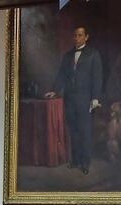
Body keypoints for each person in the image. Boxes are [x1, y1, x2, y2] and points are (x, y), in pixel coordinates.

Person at [45, 26, 103, 175]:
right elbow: (61, 75)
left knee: (85, 132)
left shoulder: (93, 54)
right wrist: (55, 90)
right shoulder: (68, 55)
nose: (76, 38)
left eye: (80, 35)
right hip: (70, 99)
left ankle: (85, 163)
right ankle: (76, 160)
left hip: (85, 100)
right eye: (75, 35)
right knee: (74, 132)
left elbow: (97, 77)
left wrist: (95, 98)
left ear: (86, 37)